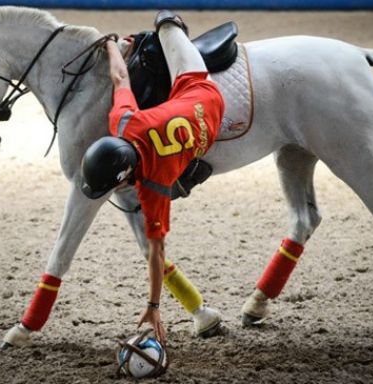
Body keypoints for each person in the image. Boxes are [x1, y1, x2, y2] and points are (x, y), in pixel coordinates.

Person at [80, 11, 225, 344]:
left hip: (207, 92)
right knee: (164, 24)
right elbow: (120, 79)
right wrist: (112, 44)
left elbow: (157, 251)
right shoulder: (125, 124)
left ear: (124, 177)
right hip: (198, 91)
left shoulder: (154, 186)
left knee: (167, 22)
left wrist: (153, 306)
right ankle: (168, 22)